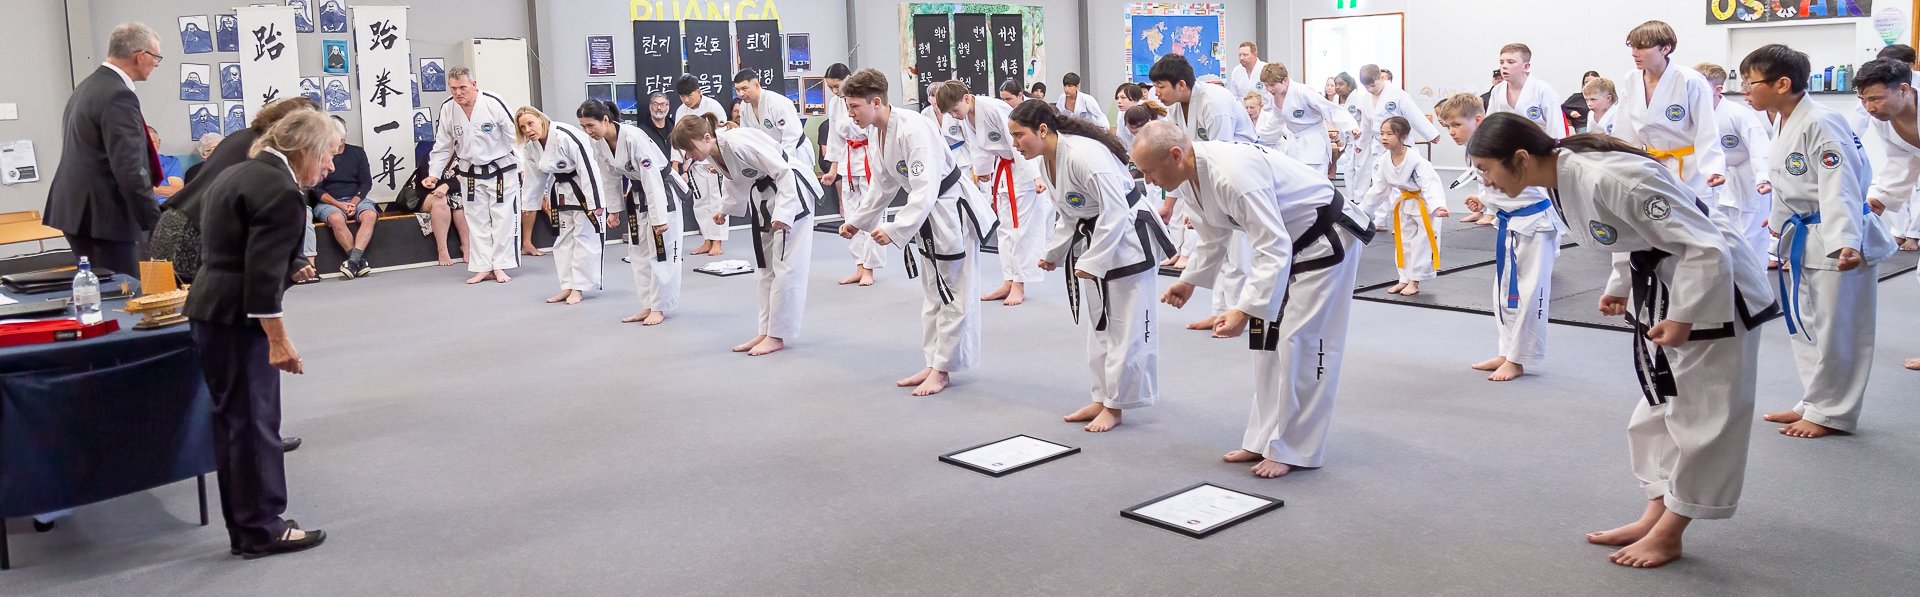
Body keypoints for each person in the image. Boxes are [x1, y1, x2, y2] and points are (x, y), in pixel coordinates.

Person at [1466, 112, 1774, 569]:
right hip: (1667, 284)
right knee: (1656, 408)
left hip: (1715, 292)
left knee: (1704, 417)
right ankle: (1656, 511)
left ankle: (1671, 532)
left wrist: (1684, 317)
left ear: (1521, 158)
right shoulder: (1562, 177)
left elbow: (1704, 247)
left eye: (1486, 169)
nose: (1485, 180)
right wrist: (1619, 285)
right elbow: (1625, 234)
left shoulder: (1611, 178)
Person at [1133, 121, 1370, 478]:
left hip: (1325, 239)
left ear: (1176, 155)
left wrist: (1243, 310)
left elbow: (1271, 246)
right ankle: (1263, 439)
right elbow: (1214, 234)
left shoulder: (1232, 175)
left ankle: (1296, 447)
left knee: (1301, 343)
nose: (1148, 180)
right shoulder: (1189, 177)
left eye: (1149, 171)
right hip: (1289, 243)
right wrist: (1190, 280)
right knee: (1266, 347)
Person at [186, 109, 338, 559]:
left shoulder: (239, 172)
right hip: (240, 317)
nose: (330, 166)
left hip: (210, 308)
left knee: (234, 424)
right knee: (255, 425)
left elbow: (240, 246)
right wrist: (279, 340)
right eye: (327, 155)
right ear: (304, 149)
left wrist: (291, 261)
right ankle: (262, 530)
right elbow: (261, 276)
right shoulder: (282, 190)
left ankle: (246, 526)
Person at [1740, 45, 1895, 439]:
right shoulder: (1787, 119)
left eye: (1750, 81)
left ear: (1782, 84)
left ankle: (1833, 412)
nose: (1744, 89)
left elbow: (1840, 185)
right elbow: (1791, 179)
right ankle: (1814, 401)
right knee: (1806, 324)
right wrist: (1779, 222)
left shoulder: (1821, 122)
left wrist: (1846, 242)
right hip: (1806, 234)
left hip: (1835, 238)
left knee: (1838, 329)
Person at [1009, 99, 1171, 432]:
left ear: (1043, 130)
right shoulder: (1048, 160)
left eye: (1018, 134)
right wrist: (1054, 253)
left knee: (1126, 327)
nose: (1014, 143)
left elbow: (1115, 210)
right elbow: (1071, 213)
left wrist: (1094, 260)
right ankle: (1102, 396)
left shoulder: (1084, 156)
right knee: (1100, 326)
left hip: (1129, 240)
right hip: (1099, 237)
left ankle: (1117, 405)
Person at [836, 68, 995, 396]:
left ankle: (943, 368)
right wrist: (859, 221)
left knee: (953, 292)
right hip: (928, 215)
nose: (850, 113)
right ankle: (934, 361)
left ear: (876, 102)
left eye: (854, 106)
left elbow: (925, 188)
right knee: (933, 291)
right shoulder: (879, 131)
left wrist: (896, 229)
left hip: (949, 211)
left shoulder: (913, 129)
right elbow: (883, 185)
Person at [672, 112, 817, 356]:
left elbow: (784, 171)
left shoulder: (739, 143)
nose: (688, 155)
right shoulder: (715, 152)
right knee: (765, 268)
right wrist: (725, 209)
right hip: (765, 198)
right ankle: (766, 330)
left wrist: (784, 213)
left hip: (791, 195)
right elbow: (735, 180)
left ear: (706, 137)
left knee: (786, 267)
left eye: (690, 149)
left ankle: (778, 335)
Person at [1437, 93, 1558, 381]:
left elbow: (1529, 183)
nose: (1452, 131)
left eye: (1456, 124)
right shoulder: (1477, 150)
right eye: (1447, 126)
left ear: (1478, 120)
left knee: (1529, 294)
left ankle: (1519, 358)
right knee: (1503, 293)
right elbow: (1497, 186)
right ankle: (1507, 351)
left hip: (1535, 225)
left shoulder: (1504, 144)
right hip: (1509, 223)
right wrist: (1484, 201)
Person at [1150, 53, 1259, 334]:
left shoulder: (1215, 103)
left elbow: (1220, 158)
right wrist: (1180, 204)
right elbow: (1179, 159)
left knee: (1236, 251)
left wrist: (1205, 205)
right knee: (1215, 244)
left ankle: (1235, 313)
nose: (1156, 93)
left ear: (1181, 84)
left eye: (1161, 86)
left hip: (1239, 176)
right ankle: (1219, 311)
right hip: (1207, 178)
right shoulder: (1176, 110)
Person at [47, 22, 165, 277]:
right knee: (121, 290)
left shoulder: (88, 86)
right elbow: (129, 167)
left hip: (80, 210)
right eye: (156, 57)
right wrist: (155, 223)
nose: (156, 64)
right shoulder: (118, 95)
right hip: (104, 216)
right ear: (140, 56)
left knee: (96, 287)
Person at [934, 80, 1054, 307]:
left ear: (966, 98)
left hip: (1023, 165)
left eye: (955, 110)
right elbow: (976, 145)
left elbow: (1018, 140)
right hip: (1004, 169)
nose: (954, 115)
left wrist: (1035, 175)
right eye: (950, 113)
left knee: (1022, 229)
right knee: (1006, 229)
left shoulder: (993, 109)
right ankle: (1008, 279)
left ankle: (1019, 283)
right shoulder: (967, 116)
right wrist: (983, 170)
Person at [579, 99, 682, 325]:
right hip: (638, 194)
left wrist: (659, 218)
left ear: (605, 120)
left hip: (661, 192)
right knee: (638, 252)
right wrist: (614, 210)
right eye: (583, 127)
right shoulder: (599, 143)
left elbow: (652, 177)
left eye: (590, 125)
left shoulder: (633, 137)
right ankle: (648, 304)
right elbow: (608, 177)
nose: (587, 131)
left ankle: (660, 306)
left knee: (661, 252)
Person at [425, 67, 523, 284]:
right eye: (453, 88)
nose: (458, 93)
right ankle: (482, 267)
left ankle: (500, 265)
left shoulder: (492, 102)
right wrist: (434, 174)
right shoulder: (448, 108)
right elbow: (442, 145)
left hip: (501, 169)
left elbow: (514, 136)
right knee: (477, 221)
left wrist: (522, 165)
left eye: (462, 87)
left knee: (503, 219)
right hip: (470, 171)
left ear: (474, 85)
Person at [1852, 59, 1920, 372]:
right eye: (1863, 100)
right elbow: (1902, 158)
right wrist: (1881, 197)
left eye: (1875, 99)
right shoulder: (1884, 117)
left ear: (1904, 89)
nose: (1869, 107)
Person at [1615, 20, 1727, 202]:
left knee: (1692, 214)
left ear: (1665, 49)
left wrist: (1713, 168)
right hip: (1652, 165)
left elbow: (1707, 130)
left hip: (1691, 169)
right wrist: (1620, 161)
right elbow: (1624, 129)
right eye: (1633, 47)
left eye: (1642, 47)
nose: (1634, 53)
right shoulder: (1631, 79)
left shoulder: (1690, 80)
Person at [516, 106, 609, 305]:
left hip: (583, 189)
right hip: (561, 191)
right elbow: (533, 178)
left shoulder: (565, 135)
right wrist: (528, 204)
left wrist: (596, 202)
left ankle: (579, 287)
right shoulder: (530, 147)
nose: (528, 130)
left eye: (530, 123)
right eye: (523, 127)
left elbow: (588, 167)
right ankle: (567, 286)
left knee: (584, 239)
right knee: (563, 241)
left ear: (541, 119)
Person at [1697, 62, 1774, 273]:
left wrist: (1763, 177)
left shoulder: (1737, 114)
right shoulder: (1695, 115)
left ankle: (1757, 284)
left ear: (1717, 89)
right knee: (1719, 233)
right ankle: (1727, 283)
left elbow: (1760, 148)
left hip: (1749, 178)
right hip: (1717, 178)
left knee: (1751, 235)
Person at [1348, 64, 1443, 226]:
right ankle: (1380, 220)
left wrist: (1431, 134)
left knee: (1403, 183)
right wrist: (1361, 143)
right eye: (1367, 86)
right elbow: (1366, 124)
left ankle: (1403, 219)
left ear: (1380, 78)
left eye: (1373, 85)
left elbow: (1414, 115)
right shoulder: (1365, 99)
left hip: (1402, 145)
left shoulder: (1397, 94)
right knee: (1380, 184)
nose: (1370, 89)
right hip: (1380, 147)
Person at [1363, 116, 1447, 296]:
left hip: (1425, 205)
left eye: (1390, 134)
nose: (1384, 137)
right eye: (1382, 133)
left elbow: (1430, 184)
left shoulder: (1417, 162)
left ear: (1403, 136)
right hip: (1405, 203)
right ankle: (1404, 278)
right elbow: (1380, 189)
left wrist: (1437, 206)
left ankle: (1415, 281)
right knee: (1404, 242)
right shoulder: (1384, 160)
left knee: (1423, 242)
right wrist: (1363, 211)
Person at [820, 63, 885, 287]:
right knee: (851, 216)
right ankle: (859, 265)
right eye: (830, 87)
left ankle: (869, 268)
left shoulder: (865, 99)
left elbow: (874, 130)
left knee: (871, 214)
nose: (834, 91)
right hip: (848, 160)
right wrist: (833, 170)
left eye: (837, 86)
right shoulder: (834, 104)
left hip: (869, 156)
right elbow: (834, 137)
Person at [1259, 62, 1360, 177]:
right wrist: (1260, 137)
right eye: (1266, 85)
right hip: (1294, 144)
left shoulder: (1303, 92)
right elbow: (1276, 121)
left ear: (1285, 80)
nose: (1269, 89)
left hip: (1313, 143)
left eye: (1272, 85)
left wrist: (1351, 127)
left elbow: (1329, 109)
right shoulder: (1275, 97)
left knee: (1315, 181)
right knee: (1296, 181)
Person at [311, 115, 376, 278]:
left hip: (356, 198)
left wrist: (354, 202)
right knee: (336, 218)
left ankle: (353, 262)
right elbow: (316, 189)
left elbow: (366, 182)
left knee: (370, 215)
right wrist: (339, 205)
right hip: (329, 201)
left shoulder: (357, 152)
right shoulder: (318, 155)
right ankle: (358, 262)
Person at [676, 76, 731, 256]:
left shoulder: (713, 107)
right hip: (694, 162)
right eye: (682, 96)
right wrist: (680, 165)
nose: (686, 100)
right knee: (700, 203)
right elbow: (678, 140)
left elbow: (722, 136)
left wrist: (720, 162)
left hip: (712, 162)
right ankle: (707, 239)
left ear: (698, 91)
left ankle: (718, 242)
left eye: (689, 95)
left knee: (716, 201)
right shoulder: (680, 111)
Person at [409, 139, 471, 267]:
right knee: (440, 201)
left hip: (456, 194)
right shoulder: (432, 153)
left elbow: (469, 177)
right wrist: (437, 184)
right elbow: (427, 182)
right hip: (427, 196)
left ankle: (466, 245)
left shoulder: (469, 153)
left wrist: (448, 186)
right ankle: (442, 249)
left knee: (458, 199)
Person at [150, 126, 185, 202]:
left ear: (159, 143)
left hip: (164, 206)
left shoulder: (171, 162)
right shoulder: (128, 163)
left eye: (153, 142)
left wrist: (147, 189)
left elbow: (177, 190)